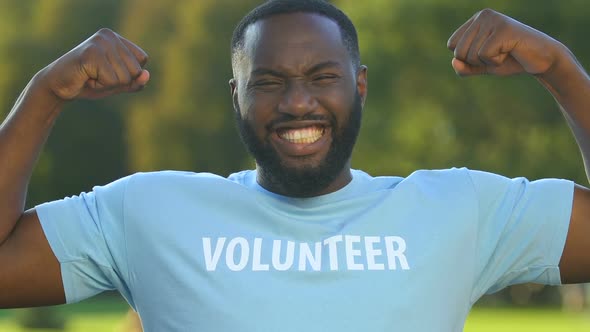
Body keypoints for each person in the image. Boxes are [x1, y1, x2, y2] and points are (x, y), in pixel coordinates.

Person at [0, 0, 589, 330]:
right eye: (269, 82)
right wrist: (45, 93)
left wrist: (560, 69)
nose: (298, 103)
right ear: (236, 96)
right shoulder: (147, 210)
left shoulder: (460, 209)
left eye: (322, 77)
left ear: (359, 86)